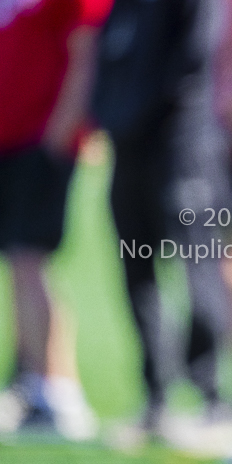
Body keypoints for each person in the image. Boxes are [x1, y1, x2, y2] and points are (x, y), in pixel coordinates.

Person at [93, 0, 232, 431]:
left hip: (182, 147)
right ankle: (155, 397)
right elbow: (110, 58)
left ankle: (211, 393)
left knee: (200, 270)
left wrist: (133, 113)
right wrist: (108, 117)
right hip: (127, 148)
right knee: (136, 271)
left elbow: (193, 60)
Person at [0, 0, 107, 440]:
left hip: (40, 139)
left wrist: (64, 129)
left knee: (30, 261)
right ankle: (32, 383)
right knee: (18, 264)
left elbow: (87, 49)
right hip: (9, 142)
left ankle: (56, 391)